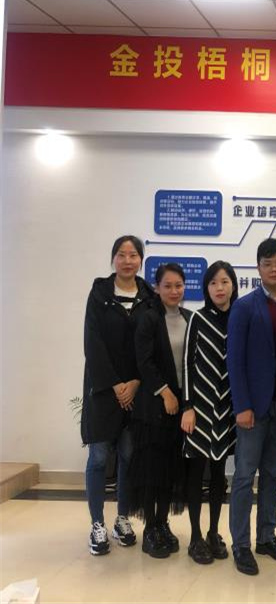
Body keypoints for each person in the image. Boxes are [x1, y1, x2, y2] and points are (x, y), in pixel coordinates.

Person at [227, 238, 276, 575]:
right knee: (245, 476)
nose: (274, 268)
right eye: (268, 263)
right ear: (258, 268)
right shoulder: (244, 307)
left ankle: (266, 536)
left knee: (272, 475)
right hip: (254, 408)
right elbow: (235, 361)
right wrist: (241, 405)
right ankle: (241, 544)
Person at [81, 235, 156, 556]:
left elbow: (151, 345)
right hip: (103, 390)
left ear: (141, 260)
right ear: (113, 258)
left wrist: (136, 382)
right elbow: (93, 343)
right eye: (122, 254)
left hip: (136, 391)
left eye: (133, 255)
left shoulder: (149, 297)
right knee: (99, 458)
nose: (127, 260)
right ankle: (97, 524)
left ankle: (122, 519)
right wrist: (115, 385)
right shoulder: (99, 294)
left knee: (128, 456)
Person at [130, 262, 191, 559]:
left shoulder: (189, 318)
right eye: (167, 285)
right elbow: (144, 361)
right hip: (153, 408)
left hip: (180, 407)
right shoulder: (149, 318)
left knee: (170, 469)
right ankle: (150, 529)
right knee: (152, 471)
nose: (174, 290)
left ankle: (163, 523)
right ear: (157, 288)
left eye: (178, 285)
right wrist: (165, 392)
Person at [181, 261, 239, 565]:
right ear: (206, 288)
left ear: (233, 285)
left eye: (225, 282)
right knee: (195, 473)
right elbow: (187, 364)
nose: (219, 288)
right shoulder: (198, 319)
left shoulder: (239, 318)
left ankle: (214, 532)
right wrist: (188, 406)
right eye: (214, 282)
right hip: (200, 410)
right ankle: (194, 536)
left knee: (219, 474)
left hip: (227, 409)